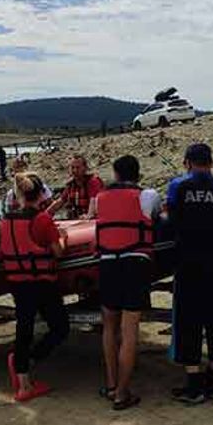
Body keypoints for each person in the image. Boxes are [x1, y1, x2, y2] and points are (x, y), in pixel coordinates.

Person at [89, 155, 162, 410]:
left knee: (109, 326)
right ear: (138, 173)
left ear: (115, 174)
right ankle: (121, 392)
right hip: (135, 263)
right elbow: (156, 217)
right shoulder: (148, 195)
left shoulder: (100, 197)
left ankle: (110, 384)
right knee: (129, 330)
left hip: (107, 263)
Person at [166, 143, 213, 405]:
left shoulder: (178, 186)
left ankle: (194, 386)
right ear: (211, 162)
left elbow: (171, 220)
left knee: (189, 321)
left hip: (189, 262)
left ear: (187, 162)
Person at [1, 172, 70, 402]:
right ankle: (29, 362)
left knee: (24, 327)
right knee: (60, 328)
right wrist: (63, 238)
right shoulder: (42, 219)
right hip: (41, 283)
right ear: (42, 193)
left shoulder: (7, 219)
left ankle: (23, 380)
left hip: (17, 282)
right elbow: (58, 252)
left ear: (19, 194)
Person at [46, 155, 104, 219]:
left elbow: (94, 201)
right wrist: (45, 215)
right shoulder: (70, 185)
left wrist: (88, 215)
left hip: (92, 221)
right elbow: (60, 201)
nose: (75, 171)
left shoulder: (93, 182)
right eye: (72, 168)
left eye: (78, 168)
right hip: (76, 220)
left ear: (85, 168)